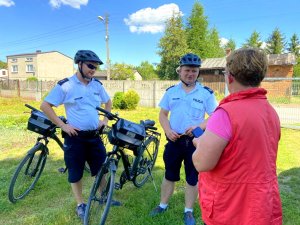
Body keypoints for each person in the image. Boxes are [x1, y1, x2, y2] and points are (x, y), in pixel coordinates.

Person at [192, 48, 282, 225]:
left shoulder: (225, 114)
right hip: (261, 206)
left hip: (230, 210)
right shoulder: (271, 112)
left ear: (230, 76)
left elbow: (202, 163)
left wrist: (199, 143)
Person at [40, 50, 118, 221]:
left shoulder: (96, 85)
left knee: (101, 168)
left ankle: (103, 196)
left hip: (94, 136)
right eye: (90, 66)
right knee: (75, 172)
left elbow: (108, 101)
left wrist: (104, 119)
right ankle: (80, 204)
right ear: (79, 64)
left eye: (95, 67)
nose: (93, 70)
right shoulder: (66, 85)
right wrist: (62, 125)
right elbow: (45, 106)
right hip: (75, 138)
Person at [150, 53, 218, 225]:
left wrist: (199, 127)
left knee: (192, 178)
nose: (190, 74)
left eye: (194, 71)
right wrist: (167, 130)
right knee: (169, 175)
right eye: (187, 70)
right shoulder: (171, 92)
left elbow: (215, 116)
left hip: (194, 143)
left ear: (198, 72)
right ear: (180, 71)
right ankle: (162, 205)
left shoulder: (206, 93)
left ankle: (188, 211)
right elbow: (163, 114)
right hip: (174, 140)